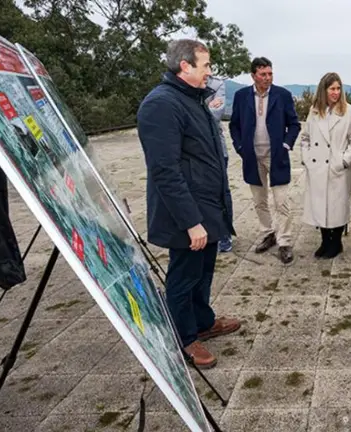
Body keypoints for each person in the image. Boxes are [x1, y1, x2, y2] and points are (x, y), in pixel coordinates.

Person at [137, 39, 241, 369]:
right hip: (188, 215)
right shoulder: (161, 105)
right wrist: (191, 221)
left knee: (203, 272)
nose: (209, 72)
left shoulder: (192, 99)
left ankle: (202, 321)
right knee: (183, 277)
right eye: (205, 65)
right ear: (185, 66)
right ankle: (184, 337)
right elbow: (165, 170)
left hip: (207, 208)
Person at [229, 57, 301, 265]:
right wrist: (240, 147)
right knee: (259, 201)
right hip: (251, 157)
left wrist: (286, 145)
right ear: (253, 76)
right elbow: (234, 125)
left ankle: (285, 242)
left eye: (270, 74)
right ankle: (268, 233)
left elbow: (294, 124)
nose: (268, 78)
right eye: (263, 74)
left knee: (282, 202)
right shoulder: (242, 96)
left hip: (276, 156)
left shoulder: (283, 95)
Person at [300, 72, 351, 258]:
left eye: (338, 88)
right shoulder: (314, 110)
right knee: (320, 206)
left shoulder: (349, 111)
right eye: (332, 89)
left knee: (337, 207)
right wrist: (307, 157)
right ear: (324, 90)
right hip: (317, 166)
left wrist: (344, 160)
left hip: (337, 167)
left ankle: (336, 242)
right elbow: (305, 138)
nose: (336, 92)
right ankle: (324, 240)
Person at [205, 75, 233, 253]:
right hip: (192, 151)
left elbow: (217, 113)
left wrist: (193, 111)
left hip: (216, 148)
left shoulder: (217, 83)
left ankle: (224, 235)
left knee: (221, 191)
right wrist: (207, 107)